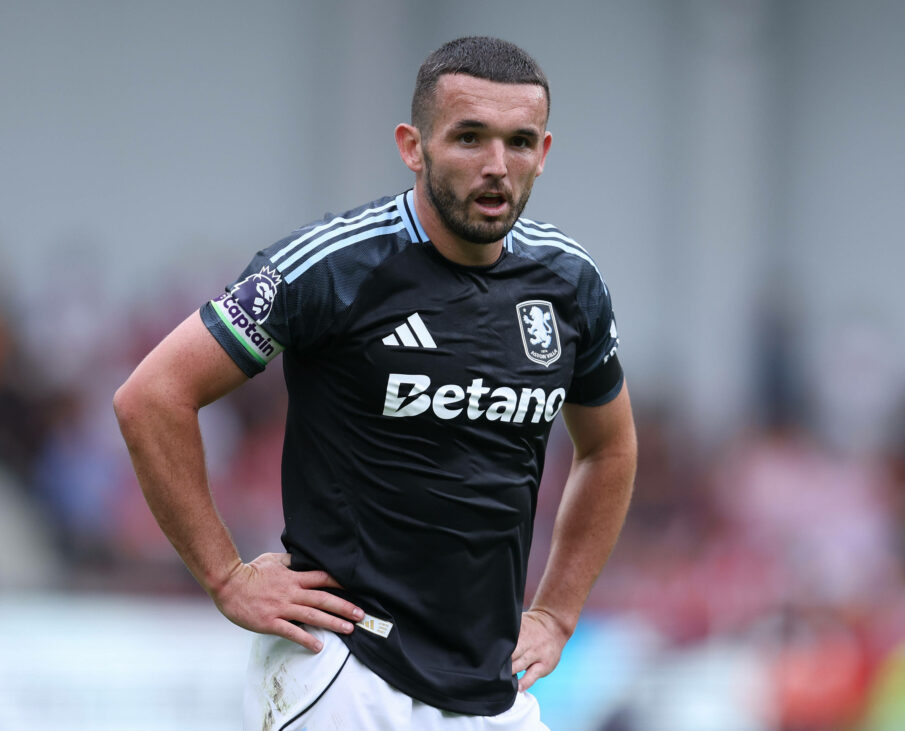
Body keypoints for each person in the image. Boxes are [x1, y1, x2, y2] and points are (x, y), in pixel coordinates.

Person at [114, 36, 636, 730]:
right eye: (469, 137)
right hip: (345, 672)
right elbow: (152, 396)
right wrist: (226, 575)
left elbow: (610, 448)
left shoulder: (570, 282)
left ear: (543, 151)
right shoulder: (331, 267)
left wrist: (558, 612)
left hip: (492, 683)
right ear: (412, 146)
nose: (495, 166)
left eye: (518, 141)